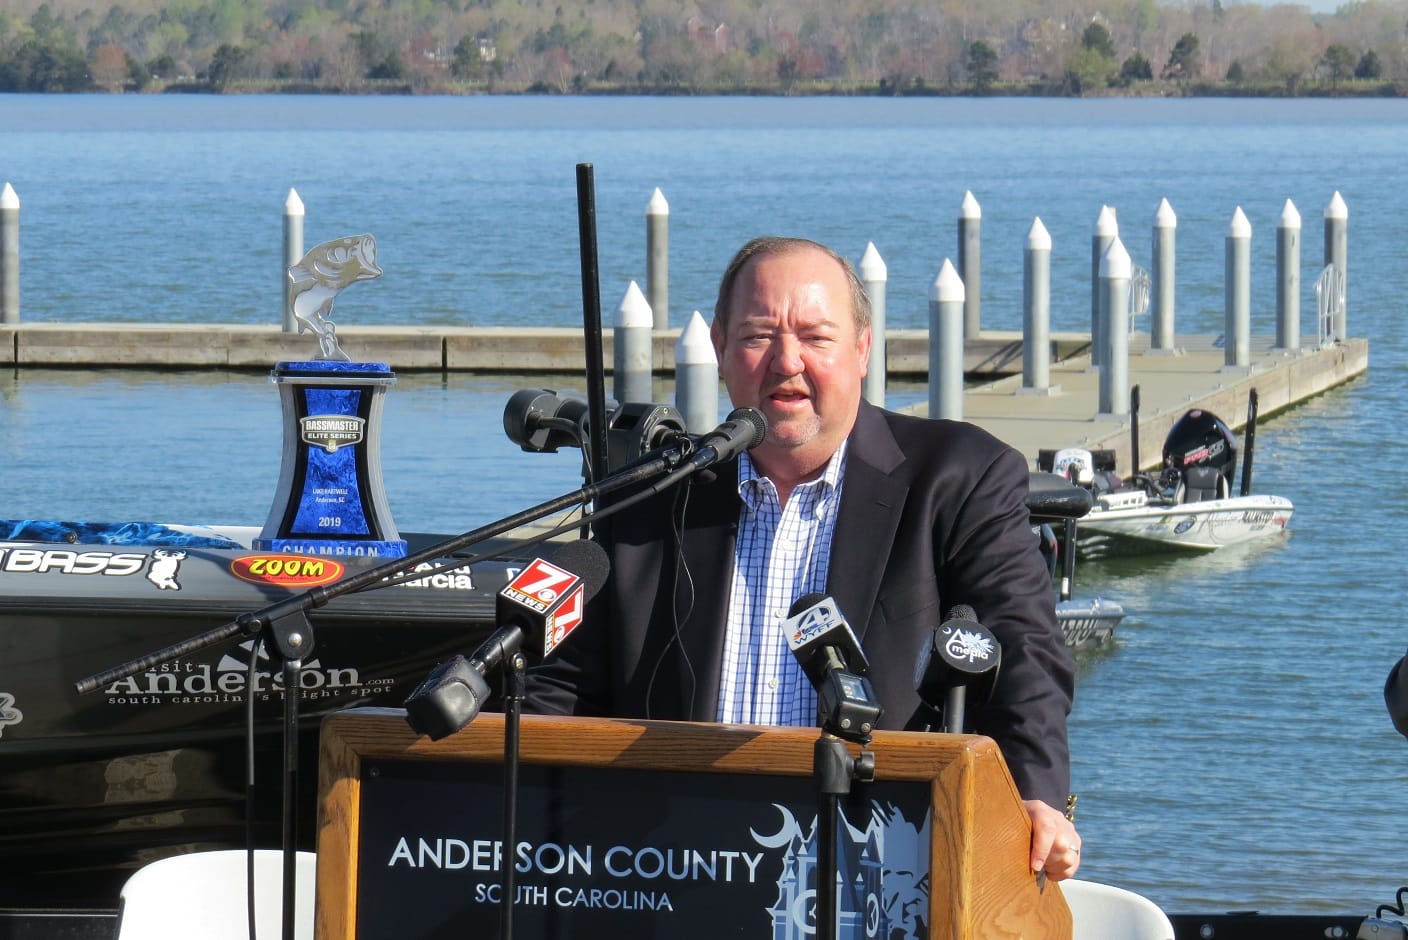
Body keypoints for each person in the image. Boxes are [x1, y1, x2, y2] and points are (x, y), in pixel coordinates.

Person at [524, 236, 1081, 881]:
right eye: (760, 335)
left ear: (863, 350)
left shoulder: (960, 476)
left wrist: (1034, 795)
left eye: (816, 338)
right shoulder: (656, 498)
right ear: (722, 352)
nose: (787, 363)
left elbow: (1023, 651)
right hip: (679, 869)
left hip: (882, 864)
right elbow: (557, 684)